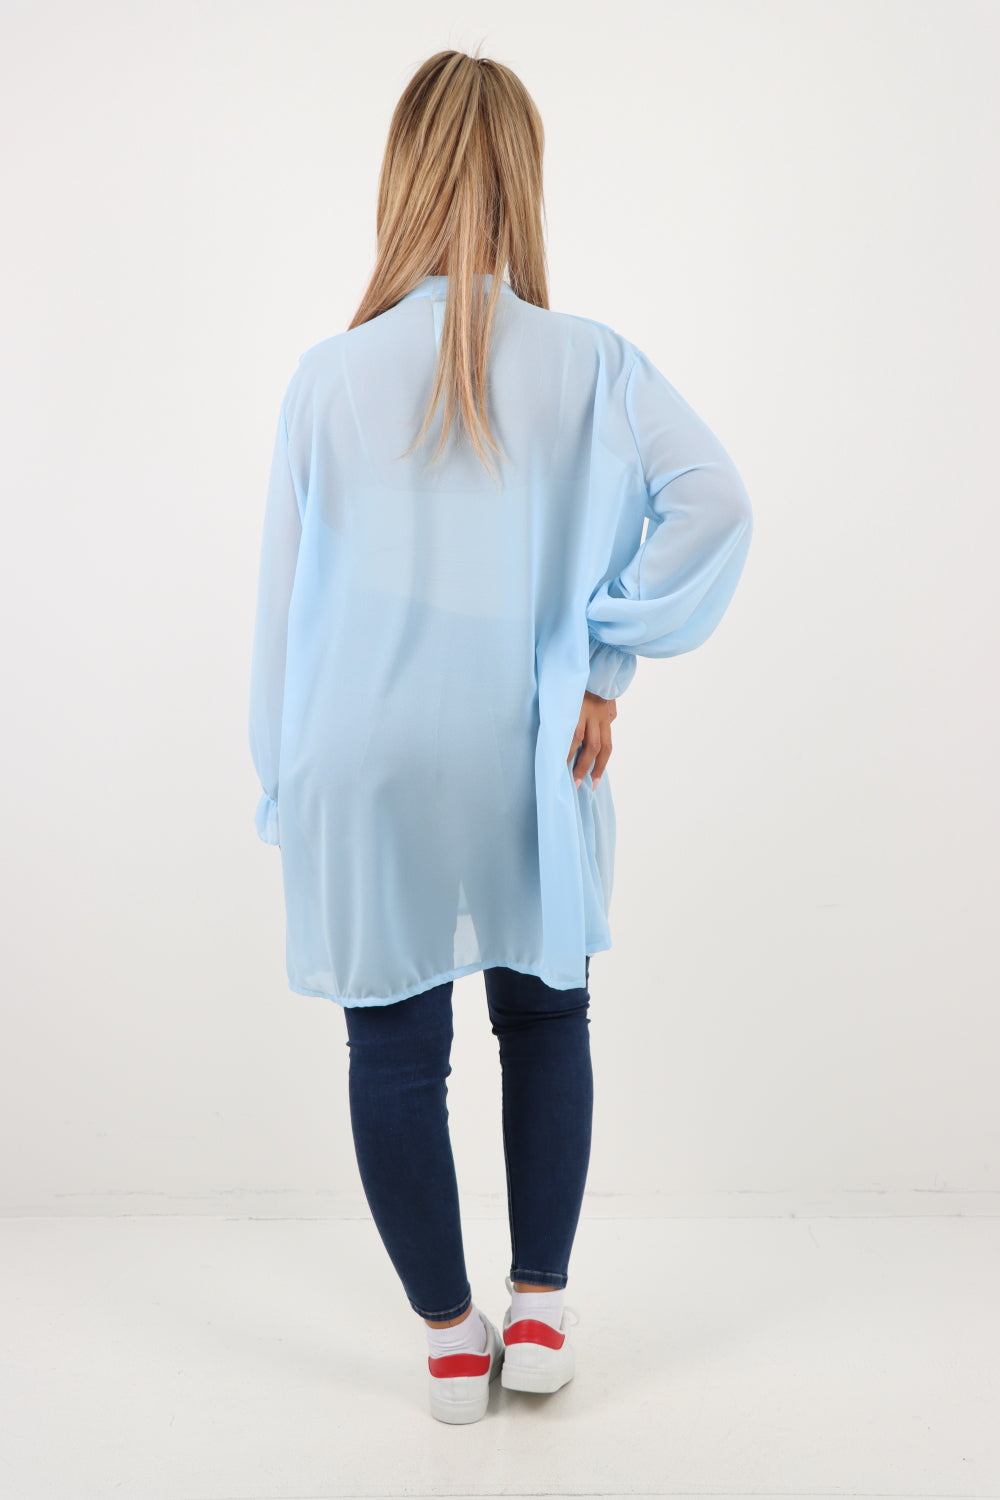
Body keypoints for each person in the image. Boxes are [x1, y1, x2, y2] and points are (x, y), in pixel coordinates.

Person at [248, 48, 753, 1425]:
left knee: (392, 1051)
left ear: (399, 178)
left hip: (362, 756)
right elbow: (714, 502)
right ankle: (538, 1315)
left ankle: (447, 1344)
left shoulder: (325, 377)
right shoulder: (592, 362)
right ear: (524, 177)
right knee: (545, 1016)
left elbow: (284, 606)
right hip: (528, 745)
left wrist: (283, 782)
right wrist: (604, 665)